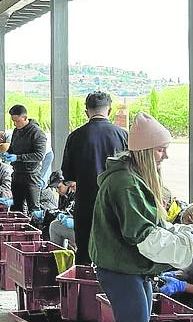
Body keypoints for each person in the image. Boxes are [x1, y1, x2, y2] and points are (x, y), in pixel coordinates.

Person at [90, 113, 193, 322]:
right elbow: (144, 236)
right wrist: (190, 242)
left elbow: (155, 225)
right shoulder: (126, 184)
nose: (165, 156)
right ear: (144, 152)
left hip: (129, 268)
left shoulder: (132, 178)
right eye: (160, 150)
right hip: (122, 270)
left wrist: (186, 233)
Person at [61, 91, 128, 264]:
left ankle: (85, 288)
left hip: (86, 203)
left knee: (84, 252)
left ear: (86, 112)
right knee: (115, 252)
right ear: (110, 110)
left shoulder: (75, 136)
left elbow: (68, 175)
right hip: (117, 203)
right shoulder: (122, 135)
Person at [4, 105, 47, 219]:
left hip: (31, 175)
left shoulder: (37, 133)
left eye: (17, 121)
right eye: (13, 121)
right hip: (17, 173)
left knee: (33, 208)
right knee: (17, 206)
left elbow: (39, 155)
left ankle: (35, 232)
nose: (15, 124)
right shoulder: (16, 131)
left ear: (24, 117)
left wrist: (18, 158)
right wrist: (8, 153)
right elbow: (12, 148)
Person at [47, 171, 77, 248]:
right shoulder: (64, 196)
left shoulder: (77, 193)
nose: (57, 190)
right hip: (79, 226)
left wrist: (75, 222)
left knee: (54, 226)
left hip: (87, 231)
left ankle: (56, 256)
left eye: (58, 187)